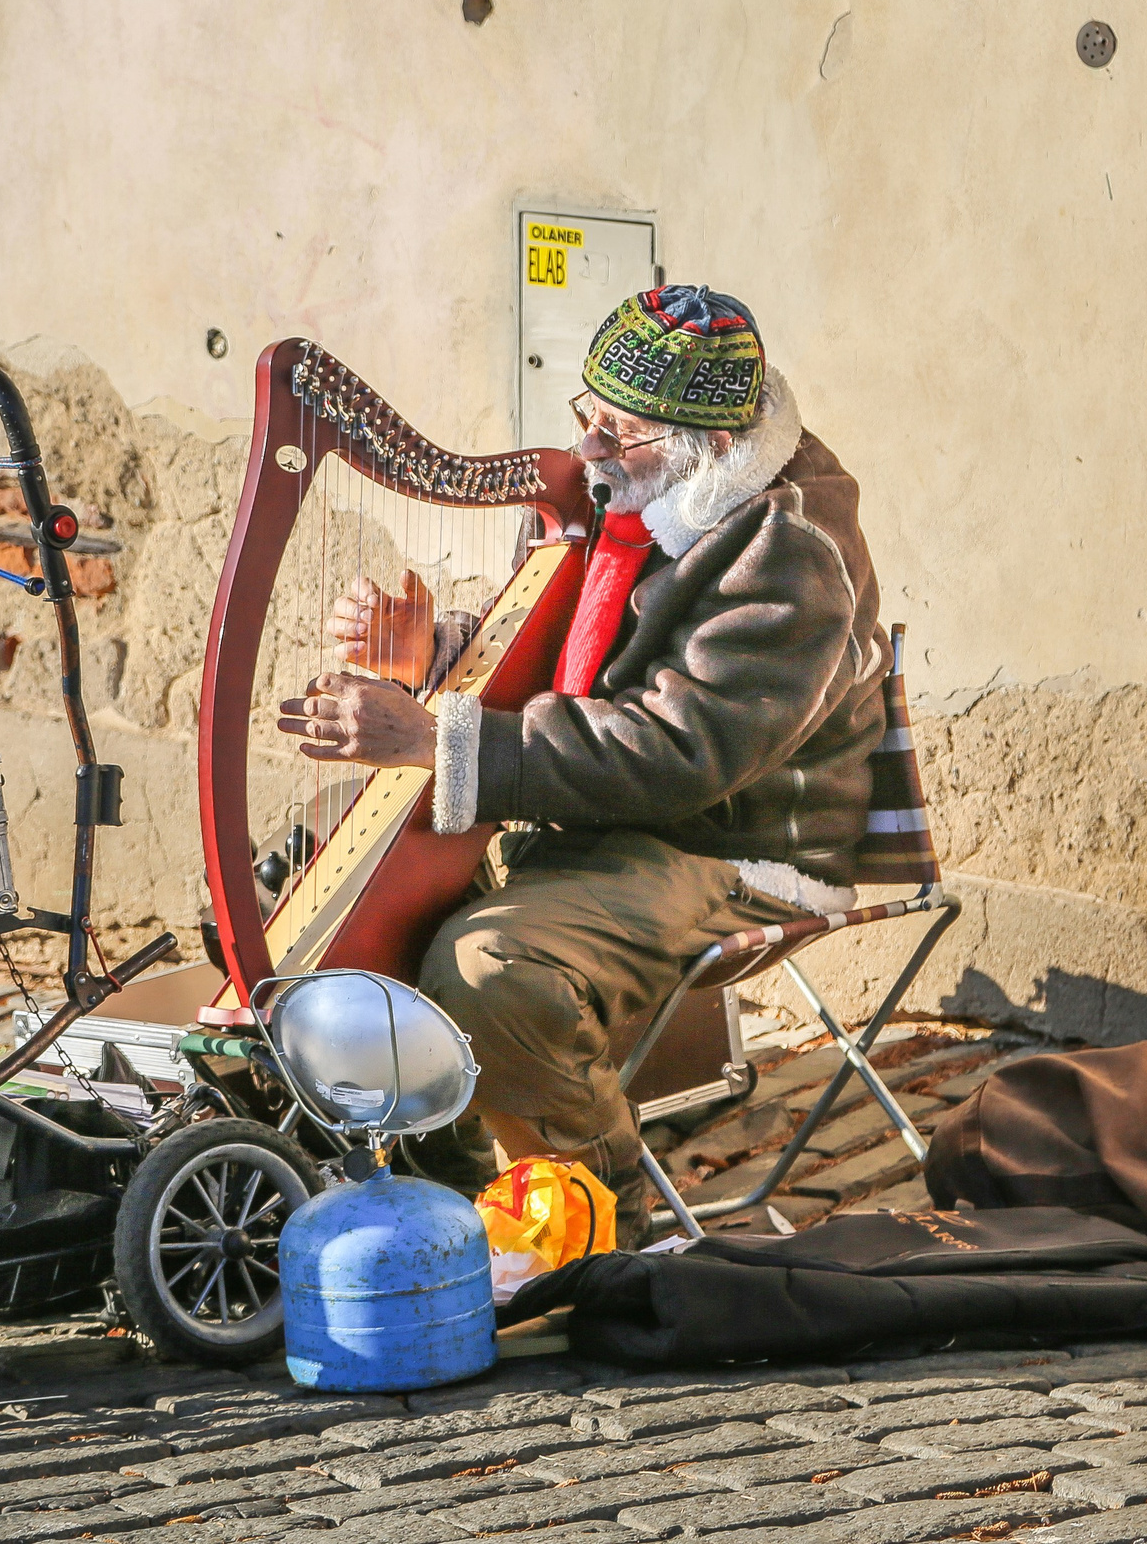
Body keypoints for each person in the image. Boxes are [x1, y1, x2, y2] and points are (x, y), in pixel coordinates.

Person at [274, 285, 889, 1246]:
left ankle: (599, 1227)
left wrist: (438, 741)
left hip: (728, 843)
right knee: (304, 862)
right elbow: (567, 655)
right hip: (597, 813)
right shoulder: (619, 490)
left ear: (715, 446)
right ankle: (447, 1183)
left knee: (487, 967)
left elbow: (678, 752)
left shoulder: (789, 550)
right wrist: (436, 648)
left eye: (624, 431)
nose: (591, 446)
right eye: (588, 415)